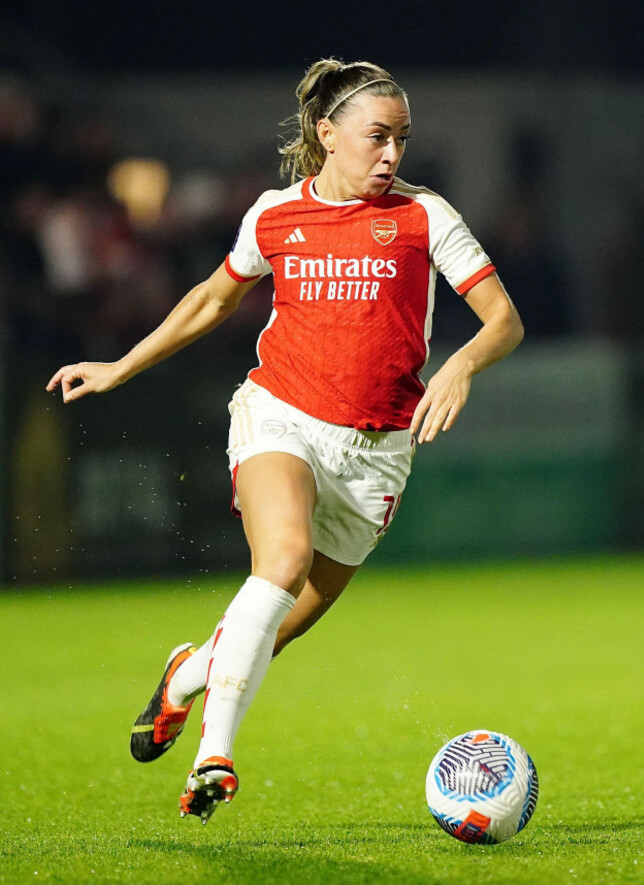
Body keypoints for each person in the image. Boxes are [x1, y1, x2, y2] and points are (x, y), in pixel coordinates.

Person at [46, 59, 524, 824]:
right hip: (281, 415)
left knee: (276, 625)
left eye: (402, 139)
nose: (393, 154)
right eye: (378, 137)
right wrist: (121, 366)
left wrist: (462, 363)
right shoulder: (274, 215)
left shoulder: (425, 215)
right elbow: (212, 297)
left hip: (377, 454)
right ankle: (216, 753)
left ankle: (187, 673)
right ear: (326, 134)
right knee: (282, 558)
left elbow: (504, 319)